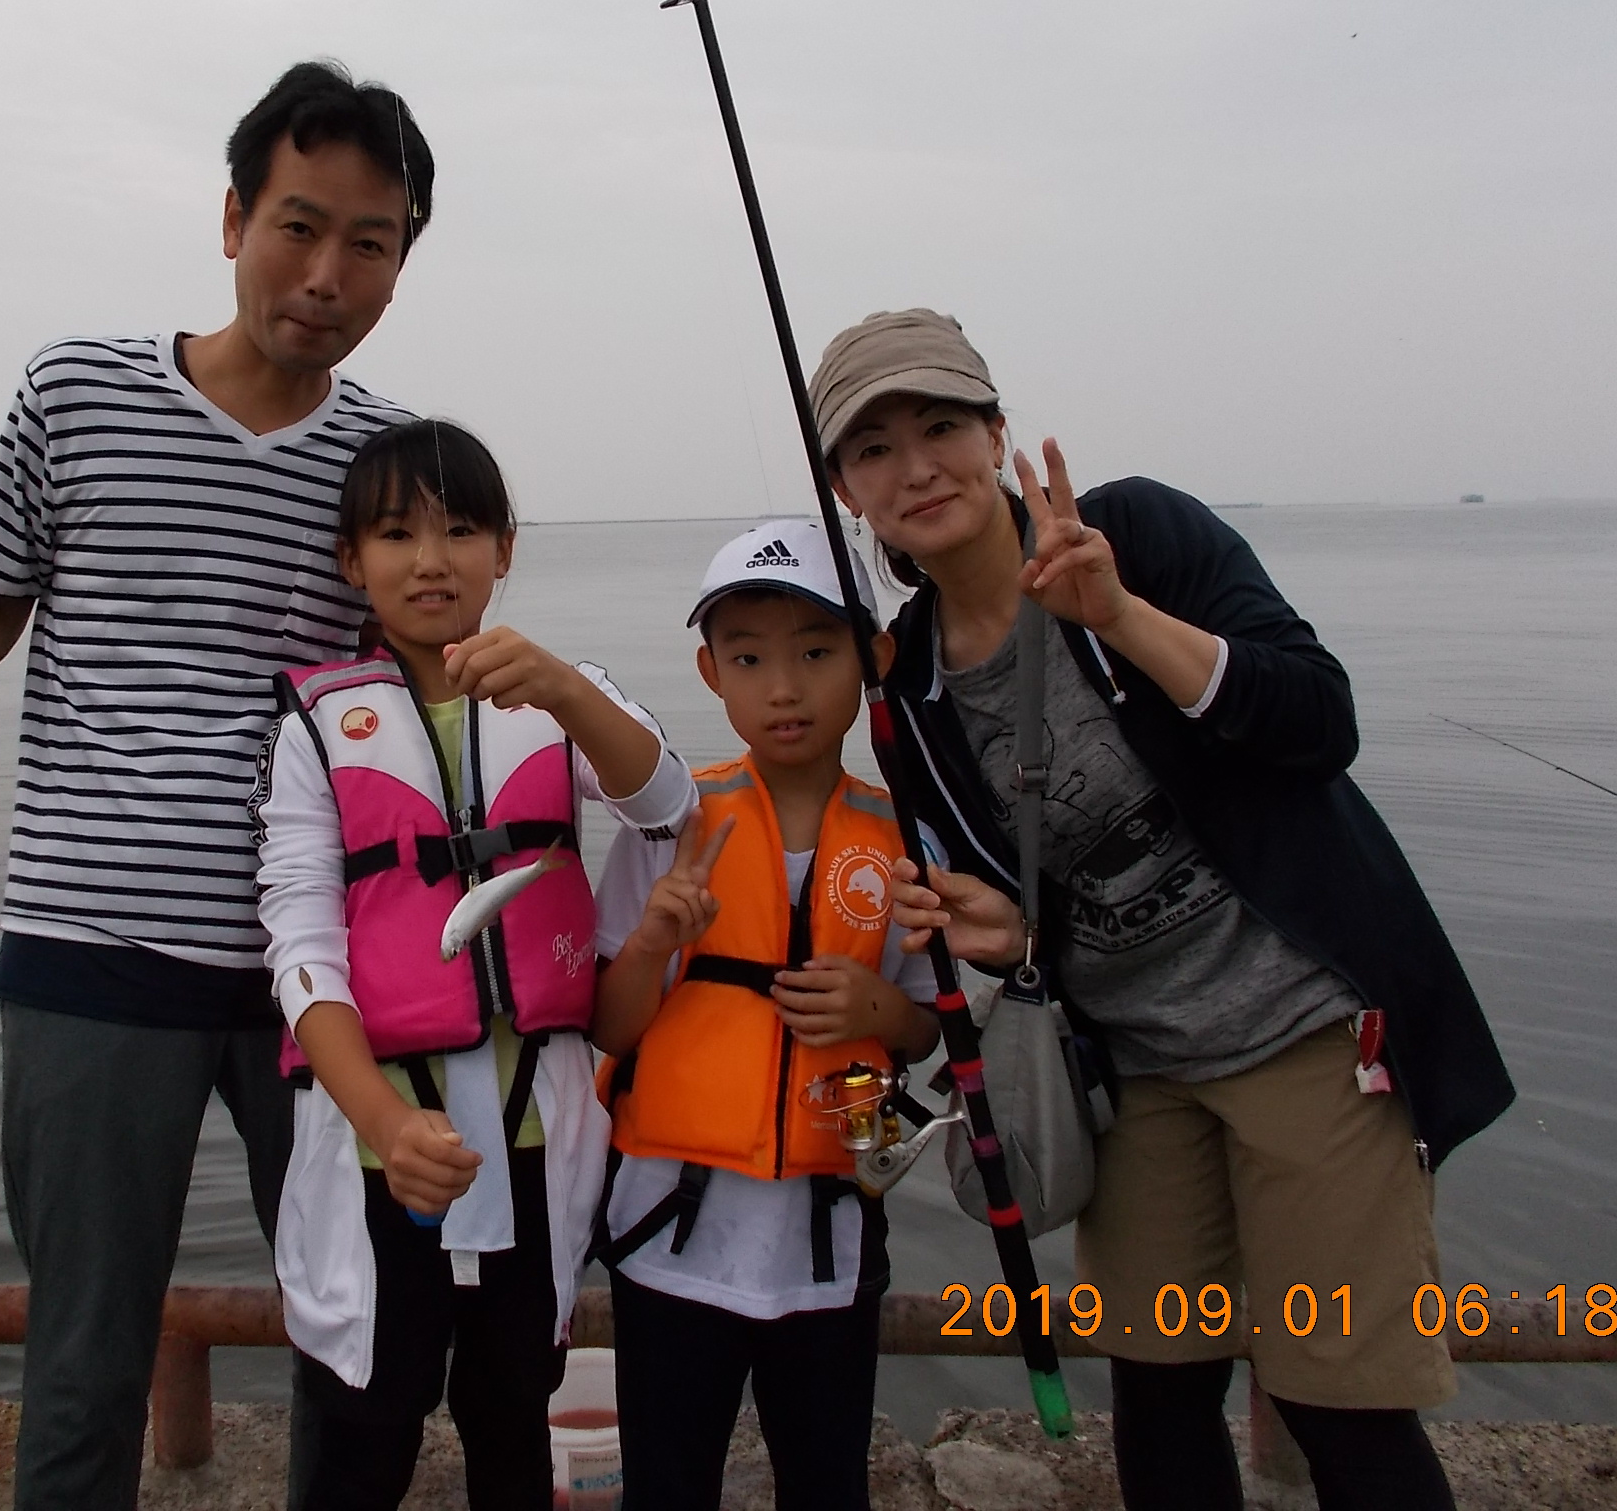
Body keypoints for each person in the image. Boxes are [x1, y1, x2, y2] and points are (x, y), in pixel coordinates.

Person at [0, 60, 434, 1511]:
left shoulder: (387, 463)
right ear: (232, 219)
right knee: (82, 1352)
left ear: (402, 263)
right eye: (298, 226)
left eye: (369, 244)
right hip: (88, 953)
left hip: (315, 970)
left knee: (354, 1328)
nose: (326, 275)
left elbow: (411, 687)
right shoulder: (75, 389)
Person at [811, 309, 1515, 1511]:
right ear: (847, 491)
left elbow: (1319, 721)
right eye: (873, 449)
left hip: (1309, 1034)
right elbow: (1032, 899)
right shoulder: (907, 685)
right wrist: (1012, 935)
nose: (915, 467)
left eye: (940, 427)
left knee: (1341, 1404)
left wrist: (1119, 617)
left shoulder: (1135, 534)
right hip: (1133, 1071)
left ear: (995, 432)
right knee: (1159, 1390)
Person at [252, 420, 696, 1511]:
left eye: (459, 530)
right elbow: (300, 946)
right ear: (351, 561)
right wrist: (383, 1121)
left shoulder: (563, 698)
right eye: (395, 534)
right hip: (379, 1145)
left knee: (511, 1417)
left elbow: (667, 803)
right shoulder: (316, 725)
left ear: (505, 549)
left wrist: (565, 690)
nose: (430, 560)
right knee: (364, 1427)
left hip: (537, 1135)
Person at [587, 520, 942, 1511]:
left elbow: (926, 1030)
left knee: (827, 1483)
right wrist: (654, 942)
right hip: (668, 1235)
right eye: (747, 659)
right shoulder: (670, 827)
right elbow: (610, 1029)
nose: (783, 689)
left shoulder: (906, 839)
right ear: (710, 673)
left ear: (873, 660)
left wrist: (878, 1005)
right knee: (666, 1485)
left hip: (829, 1238)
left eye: (817, 654)